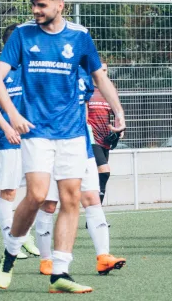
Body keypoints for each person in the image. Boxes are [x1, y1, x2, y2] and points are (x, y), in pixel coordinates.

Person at [0, 0, 125, 294]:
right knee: (37, 196)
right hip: (36, 130)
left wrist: (118, 110)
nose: (36, 11)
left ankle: (60, 272)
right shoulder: (22, 35)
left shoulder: (79, 36)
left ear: (59, 4)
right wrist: (13, 113)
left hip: (73, 133)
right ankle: (10, 253)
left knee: (71, 199)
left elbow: (99, 77)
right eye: (34, 5)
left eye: (42, 5)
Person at [34, 67, 126, 277]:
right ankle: (46, 259)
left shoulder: (84, 78)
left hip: (82, 146)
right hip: (53, 146)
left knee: (92, 198)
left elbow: (84, 109)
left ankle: (103, 257)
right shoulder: (48, 74)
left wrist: (117, 116)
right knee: (49, 204)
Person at [0, 23, 40, 260]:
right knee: (9, 190)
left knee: (37, 191)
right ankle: (9, 240)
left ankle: (25, 236)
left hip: (32, 138)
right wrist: (7, 128)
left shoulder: (32, 67)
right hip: (8, 139)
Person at [87, 62, 120, 204]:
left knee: (99, 177)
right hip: (91, 138)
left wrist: (119, 130)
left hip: (105, 139)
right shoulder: (87, 89)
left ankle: (94, 213)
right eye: (100, 70)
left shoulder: (109, 92)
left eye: (105, 70)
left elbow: (117, 113)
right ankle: (95, 212)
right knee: (104, 171)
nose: (103, 73)